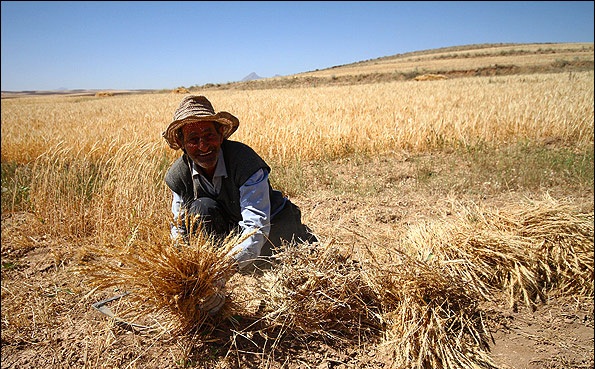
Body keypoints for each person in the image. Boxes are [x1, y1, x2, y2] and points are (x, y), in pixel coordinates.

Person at [162, 95, 317, 314]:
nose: (203, 145)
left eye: (209, 135)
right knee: (199, 210)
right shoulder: (178, 176)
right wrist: (184, 273)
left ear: (221, 136)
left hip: (275, 228)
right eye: (193, 139)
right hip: (232, 228)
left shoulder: (244, 162)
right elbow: (178, 227)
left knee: (282, 266)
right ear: (183, 145)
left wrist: (220, 271)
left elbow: (257, 227)